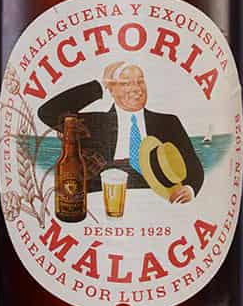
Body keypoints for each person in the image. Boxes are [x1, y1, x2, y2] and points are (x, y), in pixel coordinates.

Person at [37, 62, 203, 203]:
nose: (136, 89)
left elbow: (193, 165)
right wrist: (100, 86)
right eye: (125, 83)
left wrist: (190, 189)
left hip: (157, 198)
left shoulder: (168, 123)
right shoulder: (92, 123)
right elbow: (48, 112)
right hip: (101, 198)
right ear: (111, 89)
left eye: (140, 81)